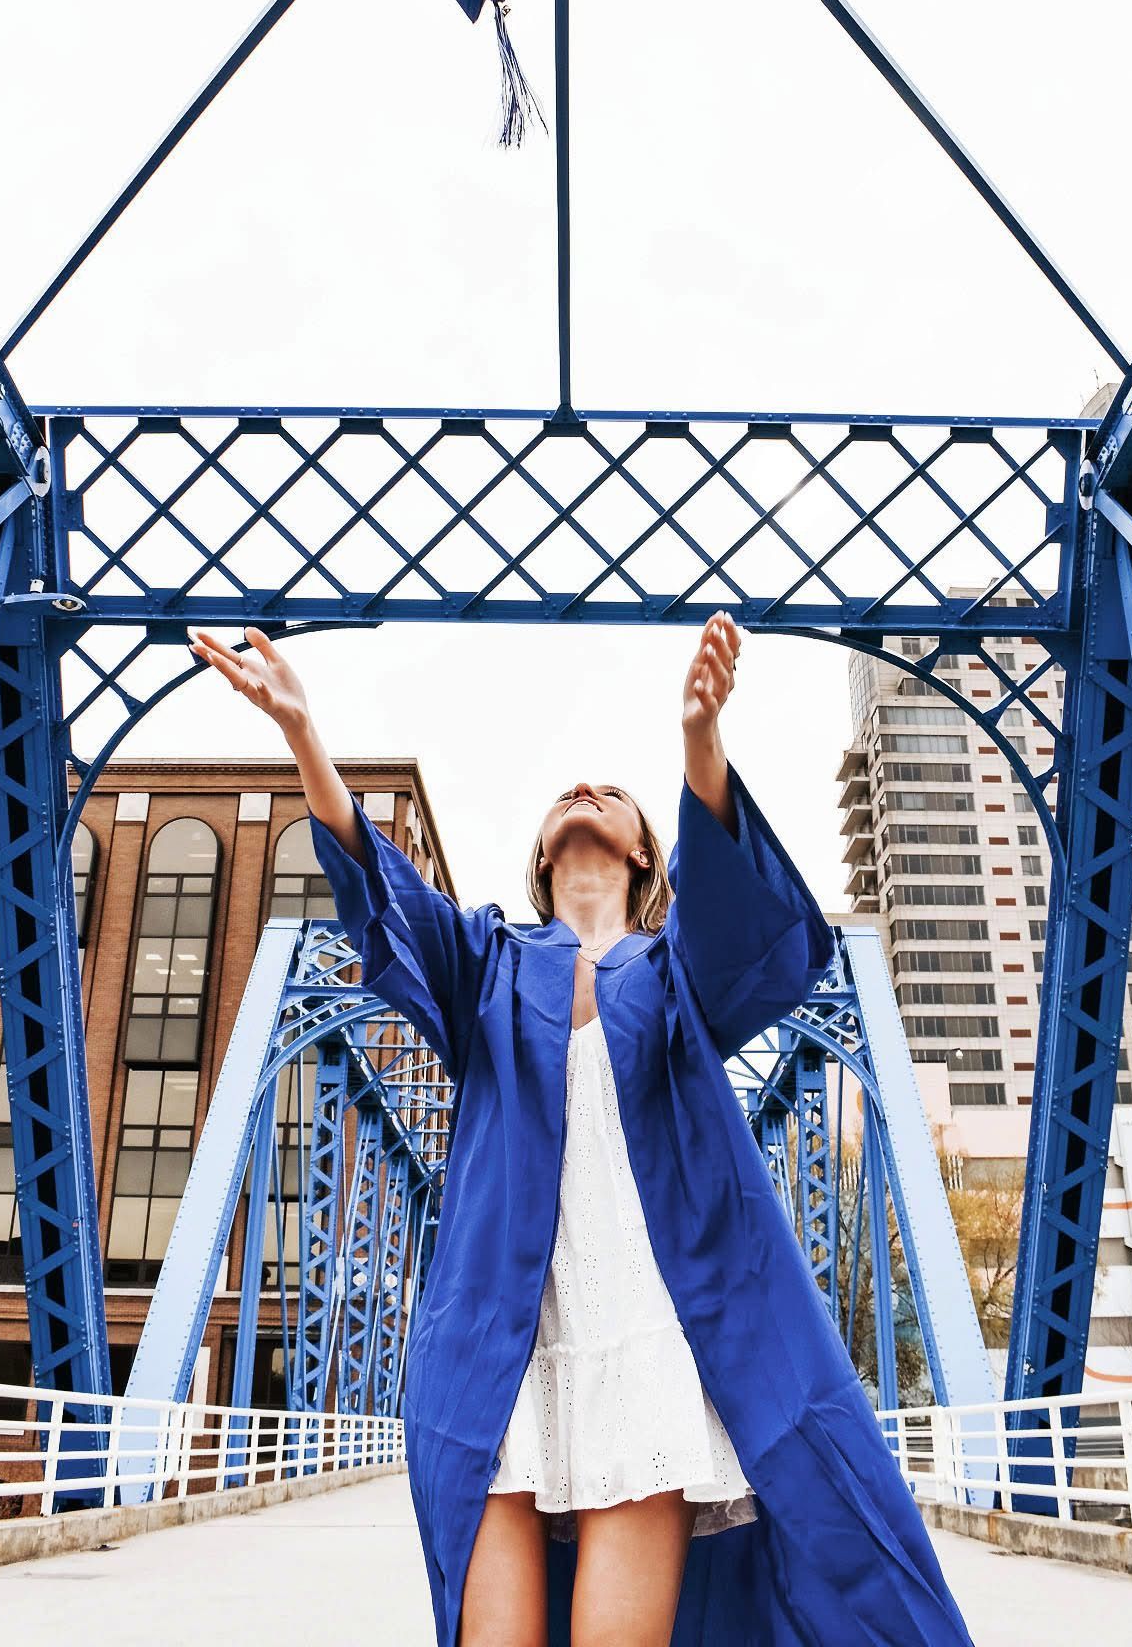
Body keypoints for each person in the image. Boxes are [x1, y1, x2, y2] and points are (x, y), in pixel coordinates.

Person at [188, 613, 977, 1647]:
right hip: (498, 1349)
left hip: (646, 1343)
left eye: (610, 788)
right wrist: (303, 735)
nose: (584, 788)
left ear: (645, 846)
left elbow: (755, 933)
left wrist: (701, 738)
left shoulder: (676, 970)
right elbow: (388, 902)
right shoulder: (488, 964)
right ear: (539, 853)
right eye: (566, 788)